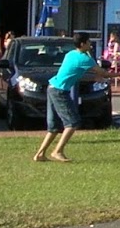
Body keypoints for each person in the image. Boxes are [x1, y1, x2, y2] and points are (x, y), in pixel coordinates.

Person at [34, 34, 98, 163]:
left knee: (53, 127)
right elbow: (103, 72)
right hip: (60, 91)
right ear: (82, 44)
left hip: (52, 87)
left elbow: (76, 72)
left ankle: (39, 155)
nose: (90, 45)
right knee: (72, 122)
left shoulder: (70, 54)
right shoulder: (84, 59)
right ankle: (57, 151)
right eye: (88, 42)